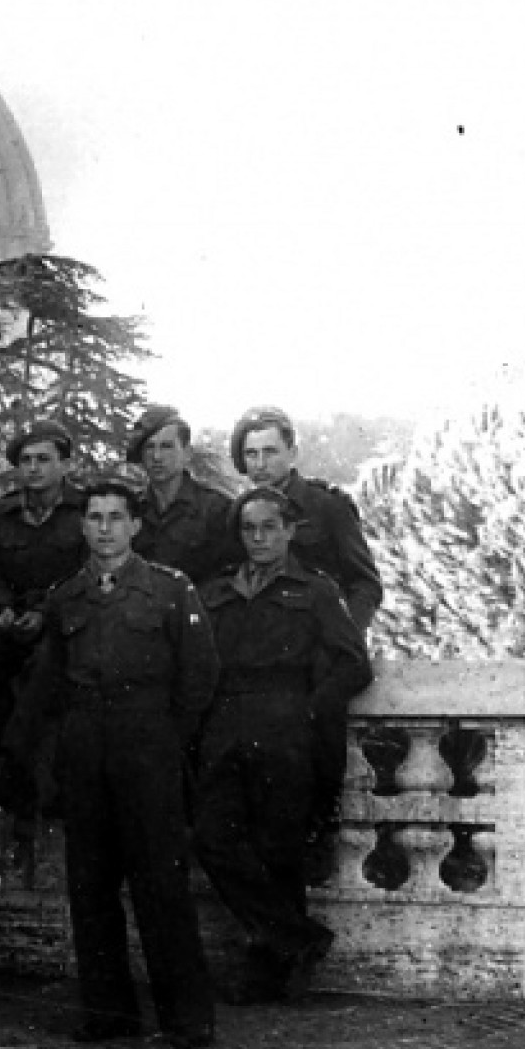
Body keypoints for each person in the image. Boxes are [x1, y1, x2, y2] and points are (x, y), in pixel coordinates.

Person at [5, 479, 219, 1049]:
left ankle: (186, 1018)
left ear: (135, 525)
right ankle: (107, 1013)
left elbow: (198, 677)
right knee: (90, 885)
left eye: (115, 517)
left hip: (148, 745)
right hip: (84, 750)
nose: (104, 527)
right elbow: (46, 684)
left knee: (160, 885)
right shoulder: (67, 596)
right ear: (83, 526)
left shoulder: (170, 591)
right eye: (95, 517)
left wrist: (167, 742)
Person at [194, 487, 372, 1005]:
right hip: (224, 723)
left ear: (290, 530)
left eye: (270, 527)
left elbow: (353, 664)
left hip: (286, 726)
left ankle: (269, 973)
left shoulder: (314, 590)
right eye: (249, 529)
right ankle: (299, 936)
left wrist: (313, 708)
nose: (259, 538)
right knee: (213, 838)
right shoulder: (216, 593)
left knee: (278, 849)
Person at [0, 421, 87, 730]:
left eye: (43, 459)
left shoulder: (84, 512)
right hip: (11, 618)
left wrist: (44, 613)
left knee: (45, 670)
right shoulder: (4, 513)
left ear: (65, 465)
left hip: (65, 621)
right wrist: (2, 608)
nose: (33, 468)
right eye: (26, 460)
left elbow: (86, 575)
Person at [229, 405, 383, 630]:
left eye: (270, 452)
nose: (260, 464)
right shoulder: (239, 511)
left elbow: (365, 584)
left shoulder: (328, 506)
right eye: (251, 454)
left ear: (292, 453)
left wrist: (345, 638)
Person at [127, 405, 238, 587]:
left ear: (186, 453)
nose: (157, 456)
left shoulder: (217, 509)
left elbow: (231, 576)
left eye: (167, 447)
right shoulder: (129, 510)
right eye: (149, 447)